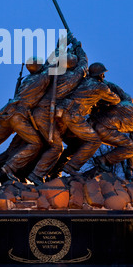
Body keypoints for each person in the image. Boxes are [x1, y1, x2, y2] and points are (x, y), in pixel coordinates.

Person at [24, 39, 88, 184]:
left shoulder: (51, 72)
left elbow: (49, 62)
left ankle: (38, 172)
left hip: (39, 113)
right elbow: (84, 65)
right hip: (44, 114)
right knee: (56, 147)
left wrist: (60, 47)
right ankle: (35, 174)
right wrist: (78, 48)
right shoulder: (72, 77)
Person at [54, 62, 121, 175]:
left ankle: (54, 170)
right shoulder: (100, 87)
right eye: (103, 74)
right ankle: (71, 167)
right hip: (73, 115)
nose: (103, 76)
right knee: (94, 141)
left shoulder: (83, 81)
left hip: (61, 113)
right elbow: (116, 100)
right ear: (100, 75)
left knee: (76, 143)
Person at [91, 100, 133, 179]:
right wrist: (130, 168)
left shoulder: (128, 103)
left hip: (92, 121)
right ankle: (103, 159)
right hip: (103, 129)